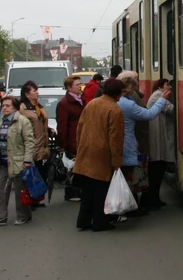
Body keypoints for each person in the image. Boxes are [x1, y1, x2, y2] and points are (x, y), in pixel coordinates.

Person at [74, 78, 125, 232]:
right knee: (101, 191)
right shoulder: (115, 110)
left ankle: (83, 220)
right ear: (118, 93)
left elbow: (80, 128)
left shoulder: (92, 104)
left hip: (85, 151)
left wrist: (79, 147)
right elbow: (115, 139)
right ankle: (100, 222)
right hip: (102, 155)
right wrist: (116, 162)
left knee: (88, 190)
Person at [117, 72, 170, 214]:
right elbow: (149, 114)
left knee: (127, 175)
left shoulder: (120, 101)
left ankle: (129, 206)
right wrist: (162, 100)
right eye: (134, 84)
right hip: (128, 142)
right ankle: (129, 207)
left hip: (127, 141)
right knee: (129, 176)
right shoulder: (127, 103)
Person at [0, 96, 35, 227]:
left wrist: (27, 160)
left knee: (20, 190)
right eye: (3, 106)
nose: (5, 108)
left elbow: (29, 142)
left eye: (8, 105)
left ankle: (24, 215)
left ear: (15, 107)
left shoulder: (22, 121)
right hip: (3, 162)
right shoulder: (3, 122)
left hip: (19, 162)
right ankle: (0, 217)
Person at [145, 78, 176, 209]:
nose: (170, 86)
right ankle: (152, 199)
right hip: (158, 140)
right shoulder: (158, 96)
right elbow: (171, 110)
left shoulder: (156, 95)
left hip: (159, 138)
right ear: (160, 87)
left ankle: (154, 198)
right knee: (157, 171)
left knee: (157, 171)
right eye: (167, 84)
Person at [19, 81, 51, 205]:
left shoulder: (38, 107)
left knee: (39, 173)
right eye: (34, 91)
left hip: (41, 145)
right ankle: (28, 199)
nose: (37, 92)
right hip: (31, 145)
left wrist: (48, 130)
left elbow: (40, 123)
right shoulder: (22, 108)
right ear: (27, 94)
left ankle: (36, 199)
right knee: (30, 174)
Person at [56, 75, 85, 201]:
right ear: (69, 88)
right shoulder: (64, 104)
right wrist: (64, 145)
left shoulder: (81, 100)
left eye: (80, 84)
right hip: (73, 141)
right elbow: (62, 126)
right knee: (72, 167)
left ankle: (79, 190)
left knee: (80, 167)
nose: (80, 87)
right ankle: (71, 192)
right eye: (77, 85)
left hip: (82, 138)